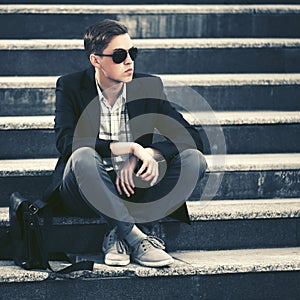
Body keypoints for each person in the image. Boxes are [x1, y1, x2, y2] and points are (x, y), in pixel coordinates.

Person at [44, 19, 207, 267]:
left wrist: (145, 154)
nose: (129, 61)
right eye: (119, 55)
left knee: (194, 159)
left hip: (134, 188)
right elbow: (66, 142)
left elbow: (191, 136)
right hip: (84, 187)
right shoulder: (70, 86)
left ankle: (120, 233)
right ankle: (136, 237)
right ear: (95, 60)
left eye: (133, 53)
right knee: (83, 155)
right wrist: (125, 147)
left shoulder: (148, 85)